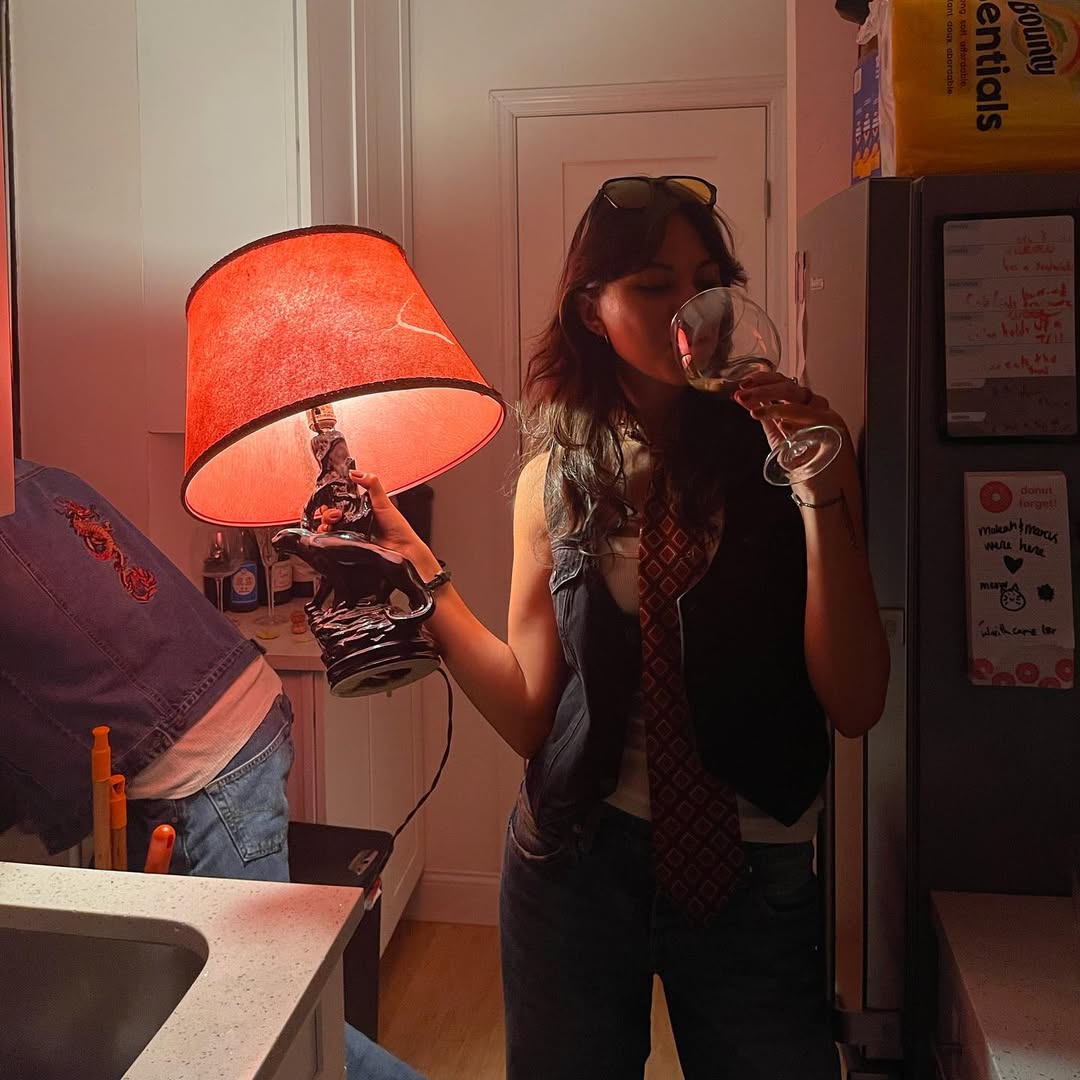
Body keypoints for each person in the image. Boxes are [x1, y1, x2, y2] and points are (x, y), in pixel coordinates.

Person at [345, 175, 890, 1079]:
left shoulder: (794, 452)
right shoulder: (553, 479)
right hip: (575, 869)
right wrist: (415, 570)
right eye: (653, 285)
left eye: (707, 282)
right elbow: (531, 712)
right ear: (591, 313)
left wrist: (820, 494)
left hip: (755, 875)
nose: (691, 311)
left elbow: (859, 700)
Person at [0, 458, 424, 1080]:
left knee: (257, 1022)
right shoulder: (33, 477)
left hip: (201, 768)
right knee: (195, 1013)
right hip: (231, 712)